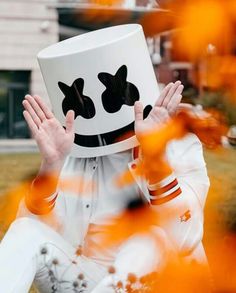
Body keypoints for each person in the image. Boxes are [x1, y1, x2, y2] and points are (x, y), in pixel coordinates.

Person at [0, 81, 210, 293]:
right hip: (88, 281)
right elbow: (31, 238)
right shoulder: (74, 150)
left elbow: (186, 239)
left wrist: (154, 155)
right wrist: (52, 164)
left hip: (159, 284)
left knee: (150, 237)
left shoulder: (179, 146)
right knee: (25, 229)